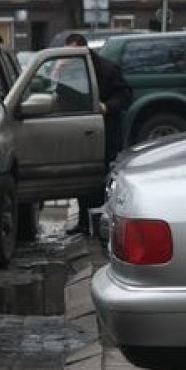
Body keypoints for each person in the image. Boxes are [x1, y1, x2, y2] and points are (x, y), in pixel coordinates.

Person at [63, 32, 132, 235]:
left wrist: (106, 107)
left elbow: (125, 95)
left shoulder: (107, 69)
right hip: (79, 131)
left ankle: (103, 221)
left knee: (103, 177)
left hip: (105, 133)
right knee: (82, 178)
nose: (69, 59)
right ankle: (85, 221)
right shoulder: (70, 70)